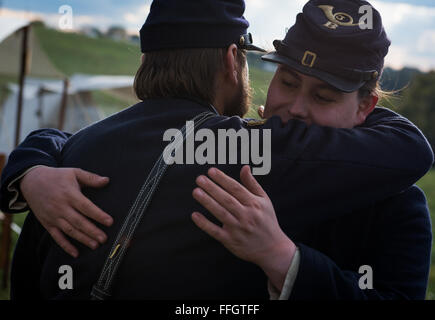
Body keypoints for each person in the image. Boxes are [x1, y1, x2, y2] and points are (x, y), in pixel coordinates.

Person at [0, 0, 433, 299]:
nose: (295, 110)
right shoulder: (249, 148)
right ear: (234, 61)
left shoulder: (398, 205)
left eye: (323, 97)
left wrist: (285, 260)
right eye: (287, 81)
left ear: (366, 108)